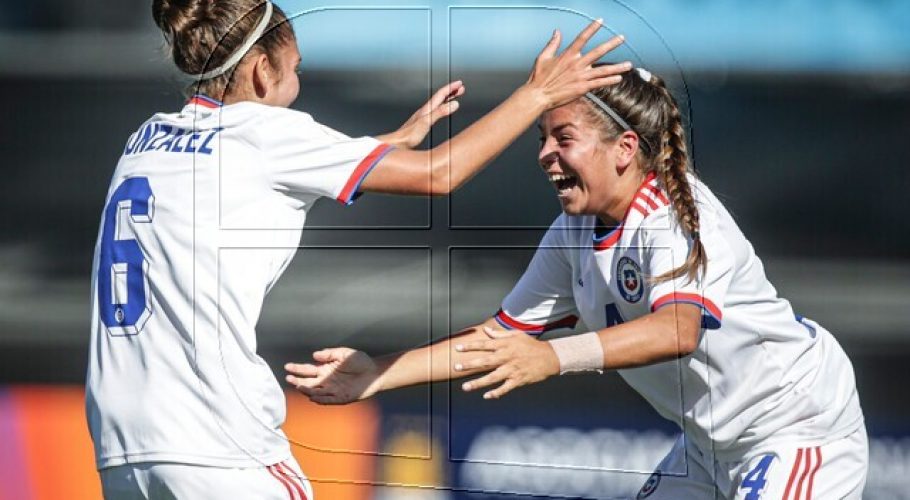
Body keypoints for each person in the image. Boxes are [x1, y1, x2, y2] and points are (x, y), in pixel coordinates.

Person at [85, 0, 632, 497]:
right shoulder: (270, 133)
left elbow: (249, 178)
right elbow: (440, 175)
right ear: (261, 70)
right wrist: (535, 94)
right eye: (295, 70)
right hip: (215, 441)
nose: (296, 80)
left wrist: (387, 144)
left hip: (121, 444)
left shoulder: (147, 138)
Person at [285, 66, 868, 499]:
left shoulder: (670, 214)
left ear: (624, 149)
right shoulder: (573, 232)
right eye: (542, 138)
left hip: (796, 427)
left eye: (563, 138)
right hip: (708, 448)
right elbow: (499, 338)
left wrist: (553, 358)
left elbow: (677, 328)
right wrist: (376, 374)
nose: (544, 154)